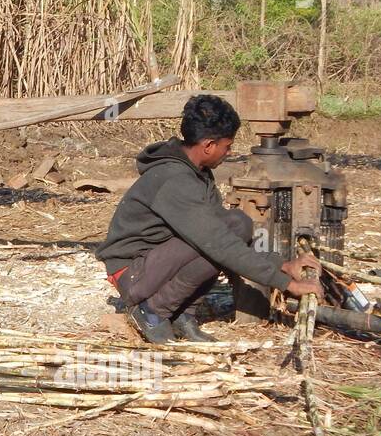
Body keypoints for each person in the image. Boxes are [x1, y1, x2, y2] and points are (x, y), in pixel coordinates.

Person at [96, 93, 321, 344]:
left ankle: (182, 314)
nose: (229, 152)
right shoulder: (175, 180)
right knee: (219, 241)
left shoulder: (198, 173)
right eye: (227, 145)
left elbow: (224, 234)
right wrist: (287, 283)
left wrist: (282, 263)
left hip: (156, 261)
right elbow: (219, 243)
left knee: (237, 224)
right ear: (208, 146)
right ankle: (154, 311)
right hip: (133, 273)